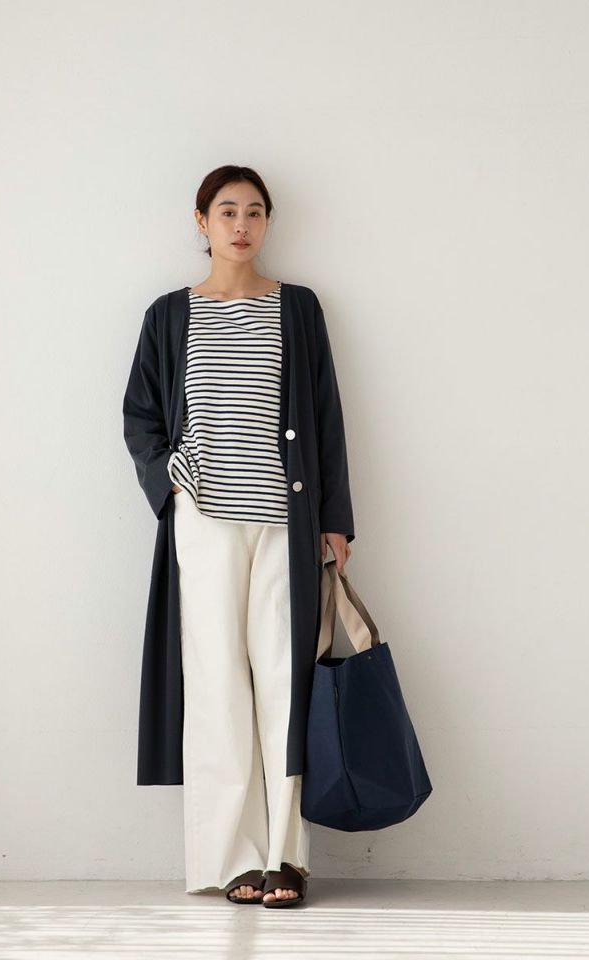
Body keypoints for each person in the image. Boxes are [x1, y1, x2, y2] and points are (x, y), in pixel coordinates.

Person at [123, 165, 355, 908]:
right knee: (217, 682)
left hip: (286, 519)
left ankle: (285, 856)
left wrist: (335, 517)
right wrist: (170, 479)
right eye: (227, 211)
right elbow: (140, 416)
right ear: (202, 222)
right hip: (204, 520)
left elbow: (325, 412)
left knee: (285, 679)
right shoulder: (170, 314)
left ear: (267, 222)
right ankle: (233, 859)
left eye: (255, 212)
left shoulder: (298, 307)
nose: (242, 225)